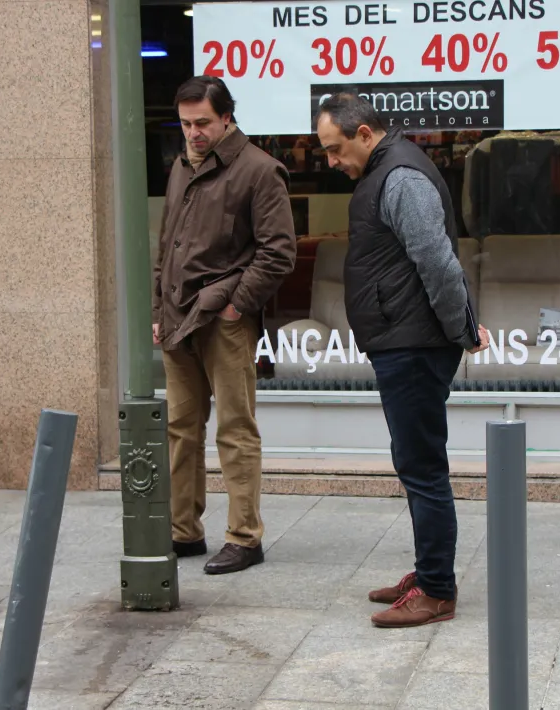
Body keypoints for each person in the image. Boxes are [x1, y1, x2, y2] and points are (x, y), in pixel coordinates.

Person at [314, 94, 491, 628]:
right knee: (414, 465)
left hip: (414, 347)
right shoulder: (386, 171)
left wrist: (461, 328)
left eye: (334, 149)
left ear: (365, 133)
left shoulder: (401, 179)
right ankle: (427, 570)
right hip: (403, 341)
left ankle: (436, 590)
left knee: (422, 468)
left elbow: (437, 262)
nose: (330, 161)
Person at [153, 76, 297, 575]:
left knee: (235, 429)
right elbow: (167, 243)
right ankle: (183, 531)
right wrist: (158, 311)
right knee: (179, 429)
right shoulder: (181, 166)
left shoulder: (258, 170)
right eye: (186, 123)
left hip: (224, 319)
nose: (193, 133)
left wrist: (237, 307)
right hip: (178, 317)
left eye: (202, 124)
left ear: (227, 117)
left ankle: (244, 537)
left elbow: (279, 253)